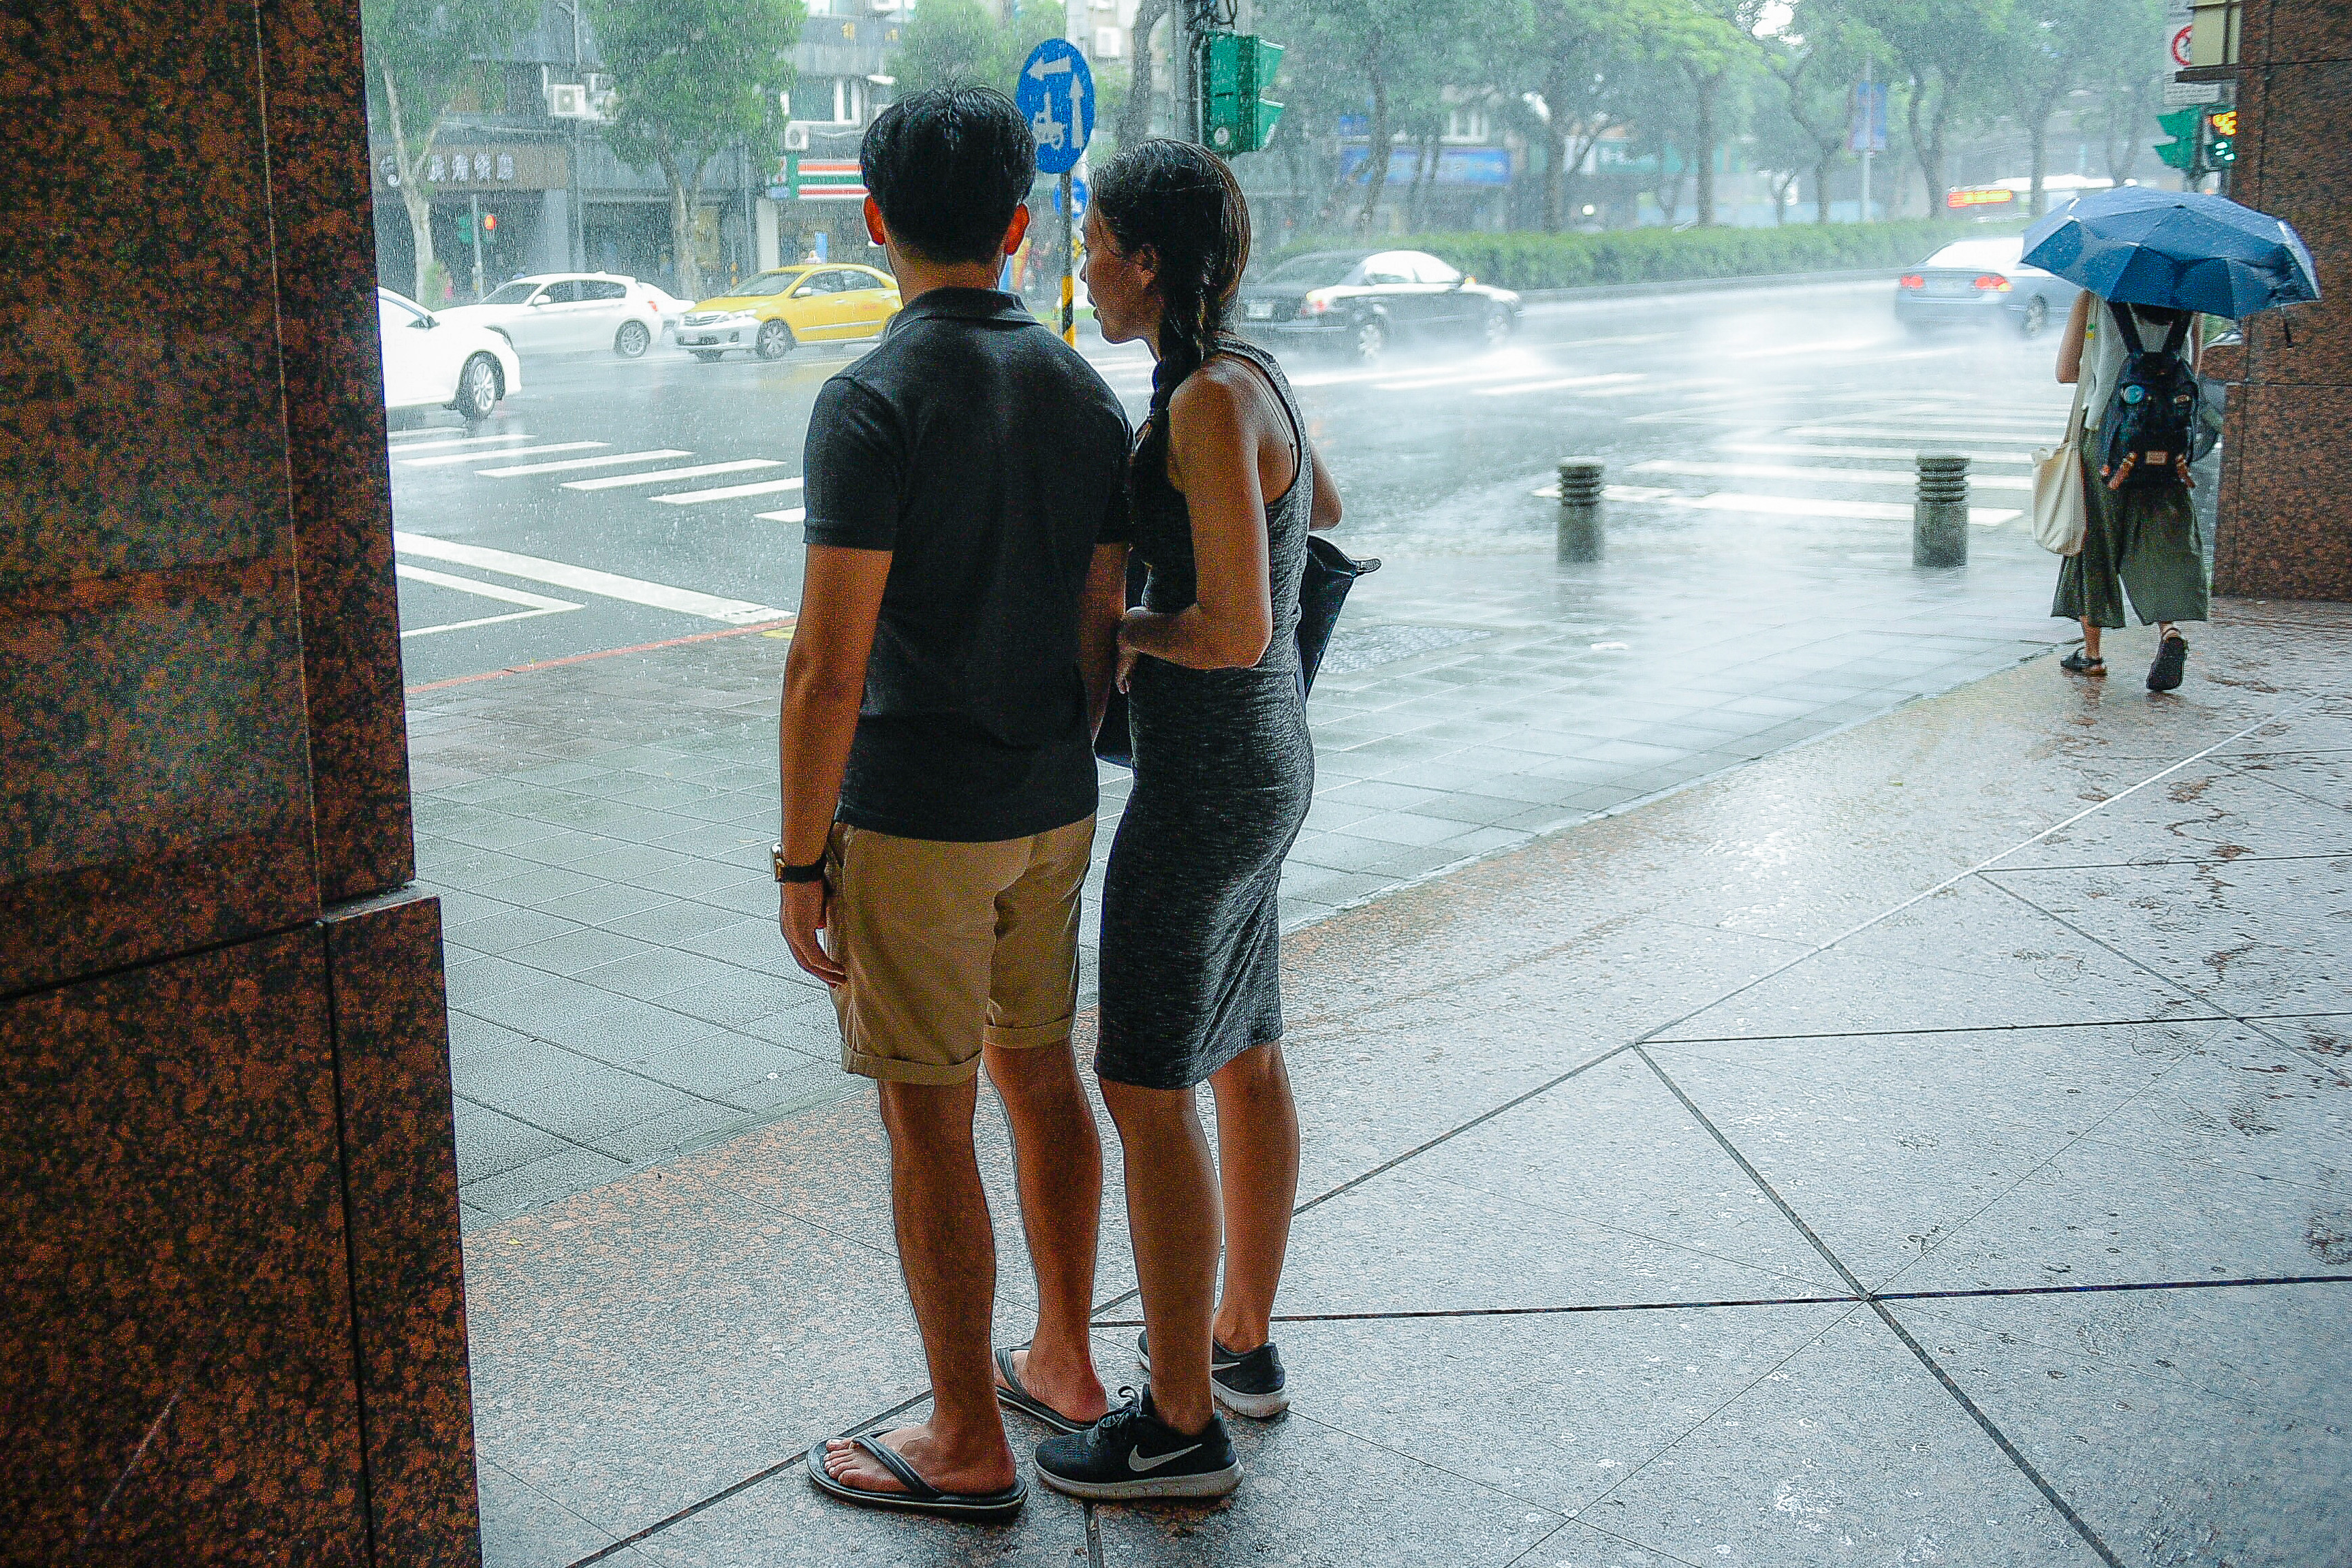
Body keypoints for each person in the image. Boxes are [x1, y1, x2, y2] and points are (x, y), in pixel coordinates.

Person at [781, 87, 1131, 1522]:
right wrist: (1052, 747)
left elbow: (826, 664)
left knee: (928, 1121)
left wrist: (801, 857)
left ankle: (967, 1438)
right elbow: (1101, 625)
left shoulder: (870, 400)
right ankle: (1066, 1359)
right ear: (1017, 222)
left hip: (915, 812)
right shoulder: (1081, 390)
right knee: (1039, 1068)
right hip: (1050, 802)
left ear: (872, 223)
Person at [1033, 140, 1342, 1504]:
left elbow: (1234, 620)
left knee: (1146, 1079)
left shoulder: (1211, 398)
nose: (1080, 268)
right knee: (1248, 1050)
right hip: (1265, 764)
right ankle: (1241, 1346)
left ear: (1146, 260)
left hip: (1208, 782)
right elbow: (1319, 508)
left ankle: (1173, 1426)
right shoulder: (1249, 373)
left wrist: (1118, 626)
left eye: (1093, 244)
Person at [2052, 289, 2210, 692]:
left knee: (2097, 542)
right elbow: (2191, 371)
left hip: (2106, 440)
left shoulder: (2095, 297)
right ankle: (2170, 632)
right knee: (2163, 539)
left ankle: (2092, 654)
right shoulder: (2191, 302)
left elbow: (2066, 371)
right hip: (2167, 446)